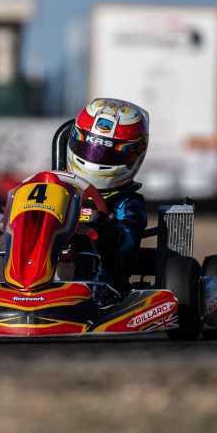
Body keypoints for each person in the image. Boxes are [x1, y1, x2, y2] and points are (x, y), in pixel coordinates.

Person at [57, 97, 150, 294]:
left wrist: (106, 227)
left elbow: (127, 243)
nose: (94, 162)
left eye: (109, 154)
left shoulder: (128, 202)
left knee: (82, 243)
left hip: (101, 280)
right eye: (87, 149)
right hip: (43, 264)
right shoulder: (55, 186)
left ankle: (77, 298)